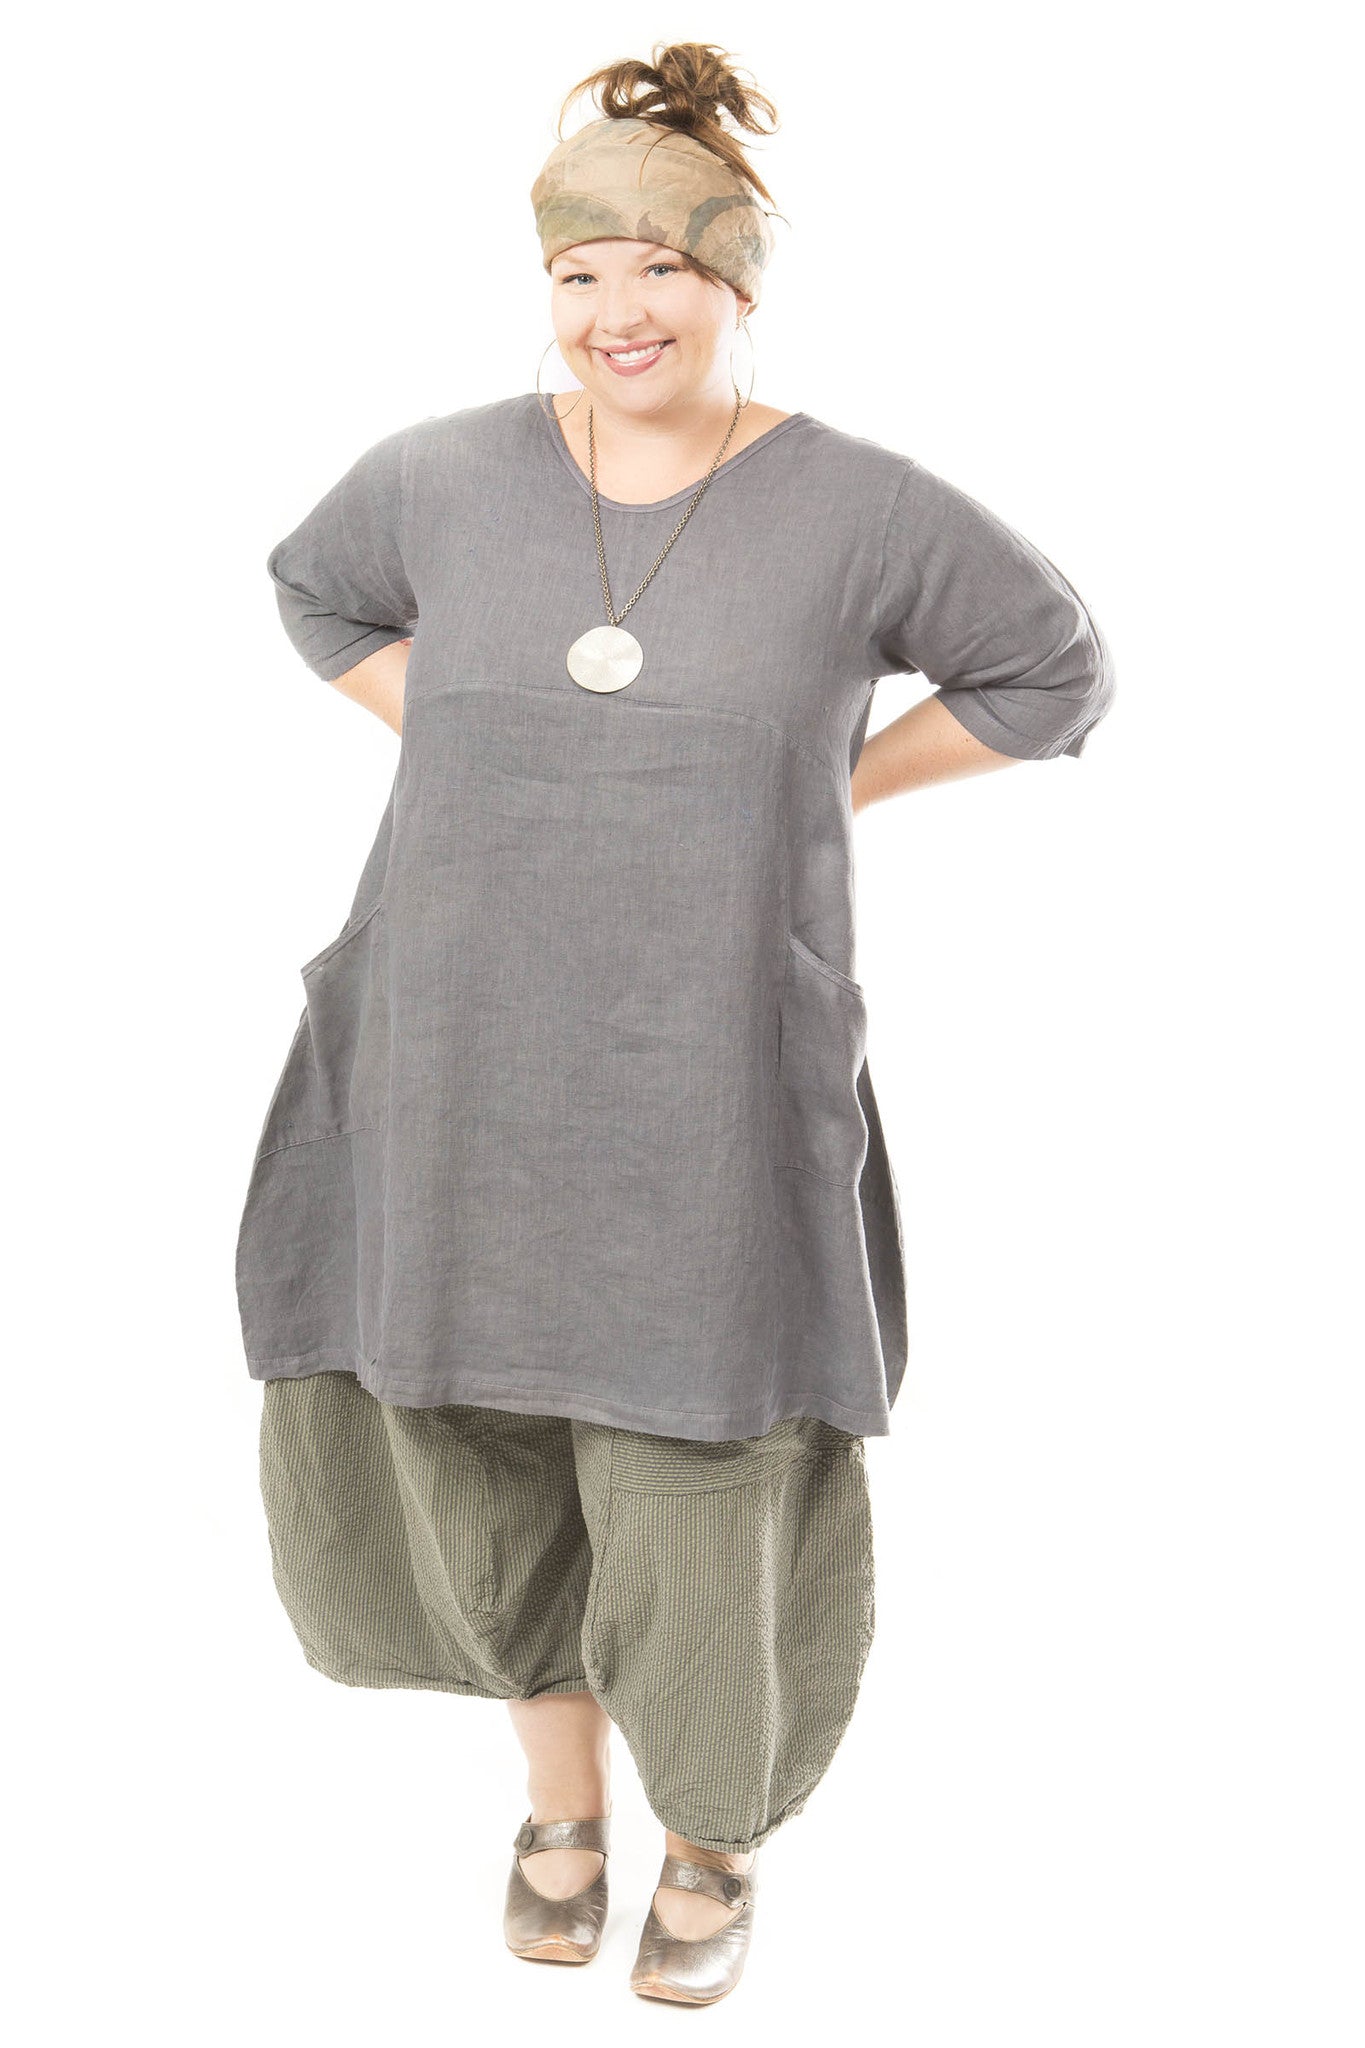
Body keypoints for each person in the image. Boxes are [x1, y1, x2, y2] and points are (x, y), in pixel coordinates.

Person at [236, 41, 1116, 2007]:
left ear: (737, 282)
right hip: (450, 1054)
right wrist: (456, 735)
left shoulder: (859, 509)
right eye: (579, 274)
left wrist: (829, 783)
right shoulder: (437, 478)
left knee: (699, 1459)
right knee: (470, 1430)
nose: (617, 311)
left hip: (703, 1078)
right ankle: (557, 1809)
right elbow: (316, 593)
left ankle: (710, 1833)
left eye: (662, 269)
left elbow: (1051, 674)